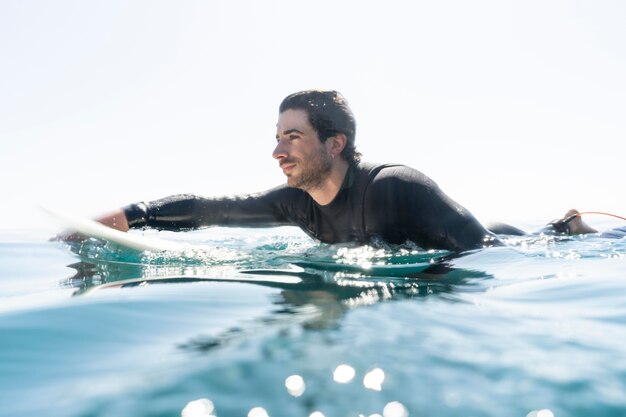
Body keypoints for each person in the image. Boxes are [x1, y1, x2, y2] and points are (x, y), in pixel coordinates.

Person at [86, 90, 499, 252]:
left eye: (293, 137)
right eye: (278, 137)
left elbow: (484, 252)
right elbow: (213, 209)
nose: (277, 151)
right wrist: (130, 216)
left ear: (334, 144)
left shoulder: (395, 187)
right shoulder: (296, 203)